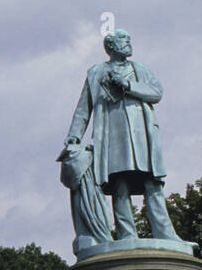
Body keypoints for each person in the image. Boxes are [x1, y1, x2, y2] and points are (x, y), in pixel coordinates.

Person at [65, 29, 182, 242]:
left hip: (141, 135)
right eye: (123, 39)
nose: (128, 42)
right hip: (112, 136)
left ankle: (166, 235)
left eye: (129, 39)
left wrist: (128, 85)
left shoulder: (141, 70)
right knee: (120, 185)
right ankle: (127, 236)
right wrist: (74, 136)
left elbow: (156, 93)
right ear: (110, 46)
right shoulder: (96, 72)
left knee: (152, 184)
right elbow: (84, 107)